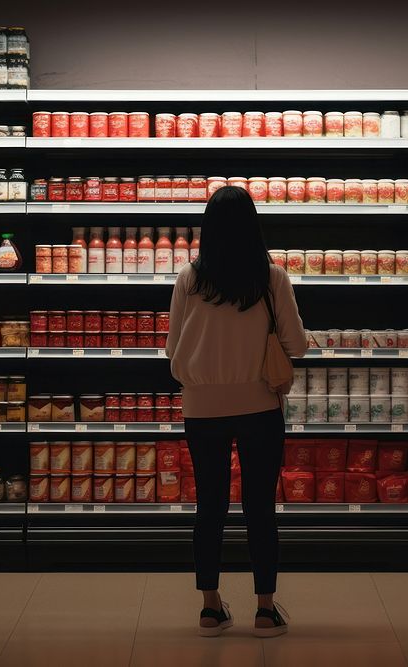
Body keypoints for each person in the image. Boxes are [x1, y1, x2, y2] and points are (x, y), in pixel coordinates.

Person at [165, 186, 308, 638]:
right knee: (259, 508)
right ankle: (265, 610)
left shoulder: (189, 278)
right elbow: (298, 346)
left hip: (202, 406)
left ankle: (211, 609)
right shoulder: (272, 278)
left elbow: (171, 348)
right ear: (254, 227)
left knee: (210, 505)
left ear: (207, 230)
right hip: (260, 405)